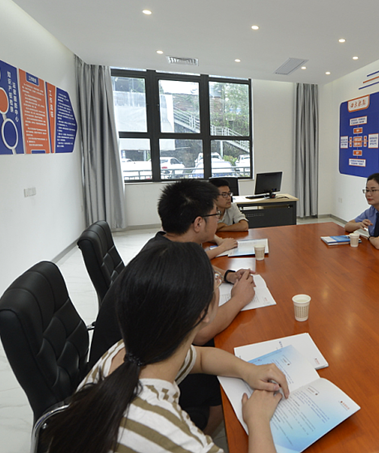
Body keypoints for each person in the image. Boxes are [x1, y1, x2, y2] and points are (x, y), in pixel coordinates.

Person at [45, 241, 288, 453]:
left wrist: (249, 370)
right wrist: (257, 420)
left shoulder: (127, 350)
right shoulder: (168, 432)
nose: (217, 283)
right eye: (215, 281)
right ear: (204, 313)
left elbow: (201, 358)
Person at [90, 179, 256, 433]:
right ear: (198, 223)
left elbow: (198, 262)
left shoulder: (164, 246)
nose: (218, 219)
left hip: (127, 353)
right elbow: (201, 333)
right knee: (220, 383)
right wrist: (239, 299)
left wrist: (227, 275)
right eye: (216, 214)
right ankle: (201, 437)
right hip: (125, 377)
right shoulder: (170, 263)